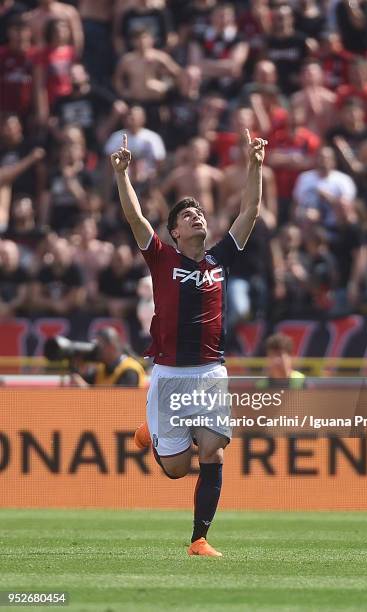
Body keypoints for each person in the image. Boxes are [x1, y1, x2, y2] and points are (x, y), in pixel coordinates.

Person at [110, 129, 267, 556]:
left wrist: (255, 166)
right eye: (187, 215)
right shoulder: (161, 257)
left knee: (214, 450)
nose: (196, 216)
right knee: (177, 470)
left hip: (211, 370)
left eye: (198, 212)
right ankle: (151, 435)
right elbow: (134, 219)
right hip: (169, 375)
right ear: (175, 233)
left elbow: (250, 211)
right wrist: (123, 176)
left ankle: (199, 539)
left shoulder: (220, 259)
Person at [70, 326, 146, 388]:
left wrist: (85, 389)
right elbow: (86, 382)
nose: (96, 351)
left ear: (111, 348)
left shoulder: (130, 370)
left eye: (99, 347)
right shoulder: (101, 369)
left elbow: (122, 403)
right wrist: (79, 370)